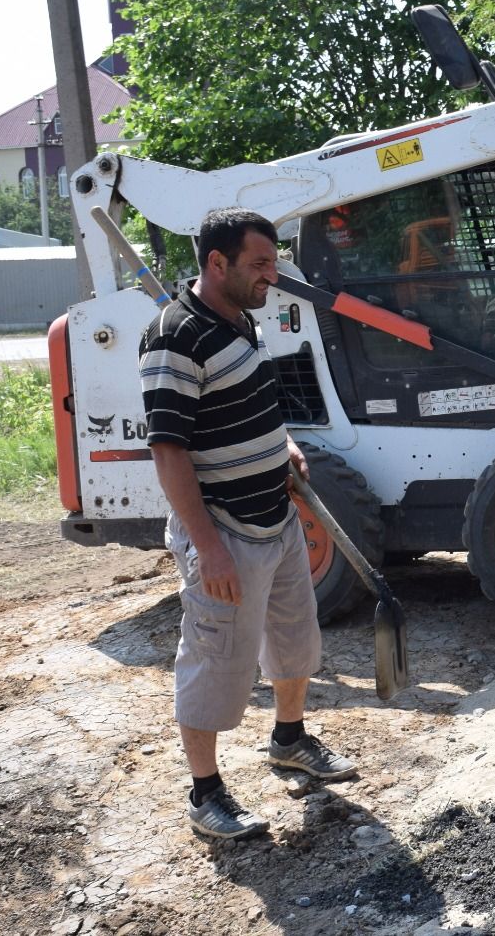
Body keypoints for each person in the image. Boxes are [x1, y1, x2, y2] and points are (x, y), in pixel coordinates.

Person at [139, 207, 357, 841]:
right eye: (261, 264)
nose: (274, 274)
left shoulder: (240, 320)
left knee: (295, 642)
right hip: (224, 529)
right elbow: (169, 449)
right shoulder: (174, 338)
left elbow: (249, 404)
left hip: (276, 515)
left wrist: (281, 444)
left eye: (274, 261)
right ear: (218, 263)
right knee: (216, 661)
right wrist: (208, 548)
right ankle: (205, 795)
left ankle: (289, 740)